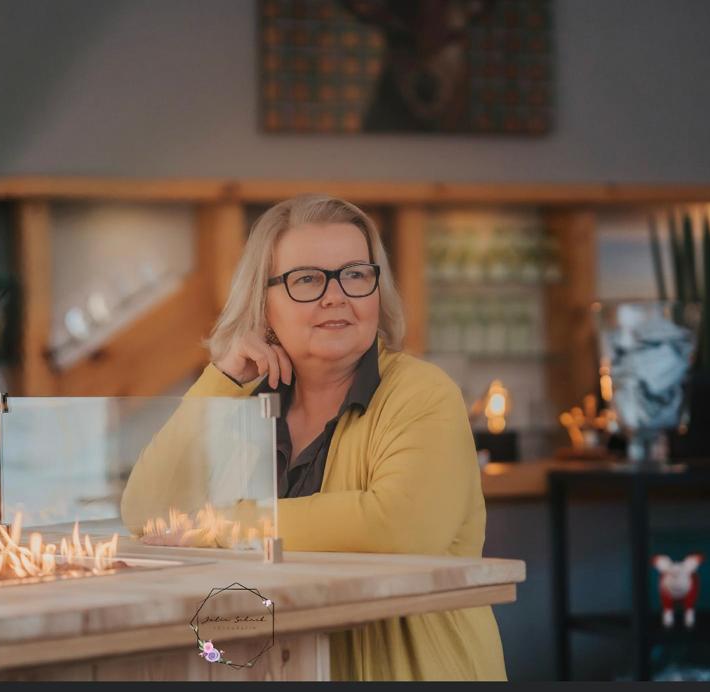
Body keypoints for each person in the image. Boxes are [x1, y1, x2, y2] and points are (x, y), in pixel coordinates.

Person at [120, 193, 506, 680]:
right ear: (262, 302)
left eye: (355, 274)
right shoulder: (249, 402)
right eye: (306, 279)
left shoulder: (424, 394)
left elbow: (398, 527)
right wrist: (222, 380)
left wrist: (223, 528)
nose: (336, 295)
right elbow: (147, 513)